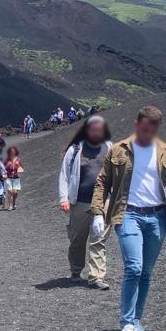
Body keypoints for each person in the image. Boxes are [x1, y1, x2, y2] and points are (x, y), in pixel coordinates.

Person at [90, 106, 166, 331]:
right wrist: (97, 212)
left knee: (146, 272)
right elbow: (102, 182)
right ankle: (126, 326)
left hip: (157, 217)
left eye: (152, 130)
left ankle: (135, 322)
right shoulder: (119, 150)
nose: (147, 134)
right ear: (137, 124)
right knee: (133, 267)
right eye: (144, 129)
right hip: (128, 214)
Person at [58, 116, 113, 289]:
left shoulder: (110, 147)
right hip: (79, 202)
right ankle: (76, 270)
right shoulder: (75, 150)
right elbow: (64, 175)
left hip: (103, 201)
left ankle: (96, 276)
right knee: (77, 239)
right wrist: (63, 198)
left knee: (99, 238)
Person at [4, 146, 24, 211]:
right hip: (8, 177)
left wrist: (19, 166)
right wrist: (7, 166)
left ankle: (14, 202)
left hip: (16, 177)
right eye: (11, 152)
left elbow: (22, 168)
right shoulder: (6, 160)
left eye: (13, 151)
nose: (12, 153)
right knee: (10, 191)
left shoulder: (18, 160)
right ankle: (10, 205)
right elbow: (2, 168)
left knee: (15, 192)